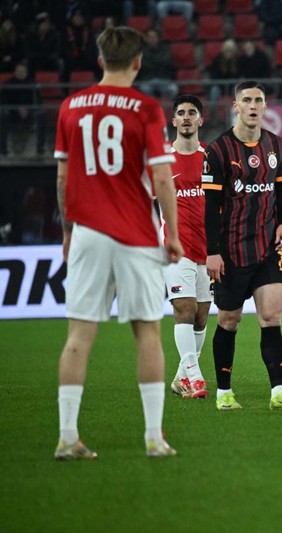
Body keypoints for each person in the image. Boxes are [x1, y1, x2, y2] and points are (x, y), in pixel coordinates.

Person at [53, 26, 182, 460]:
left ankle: (68, 437)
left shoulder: (70, 106)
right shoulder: (145, 108)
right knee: (147, 333)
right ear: (138, 62)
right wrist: (174, 233)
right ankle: (153, 437)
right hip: (135, 233)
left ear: (100, 59)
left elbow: (62, 176)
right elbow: (162, 177)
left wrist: (69, 231)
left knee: (77, 336)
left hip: (87, 231)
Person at [202, 80, 282, 411]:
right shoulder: (218, 151)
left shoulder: (276, 145)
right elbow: (210, 207)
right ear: (236, 106)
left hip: (265, 249)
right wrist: (213, 251)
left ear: (264, 106)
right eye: (246, 100)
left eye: (258, 100)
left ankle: (278, 391)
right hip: (230, 252)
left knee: (272, 317)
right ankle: (224, 392)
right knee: (229, 320)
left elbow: (280, 194)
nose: (253, 105)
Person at [164, 94, 211, 400]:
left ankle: (182, 376)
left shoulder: (212, 158)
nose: (186, 117)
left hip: (208, 249)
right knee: (185, 308)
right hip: (175, 248)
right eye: (181, 113)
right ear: (173, 120)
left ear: (200, 120)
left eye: (191, 113)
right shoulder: (162, 161)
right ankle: (195, 377)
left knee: (202, 316)